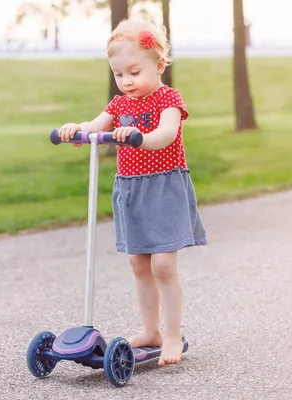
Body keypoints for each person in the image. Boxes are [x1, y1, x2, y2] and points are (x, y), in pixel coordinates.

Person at [58, 18, 207, 367]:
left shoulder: (168, 100)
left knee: (164, 265)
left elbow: (165, 135)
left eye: (134, 72)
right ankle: (151, 330)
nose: (126, 81)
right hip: (131, 190)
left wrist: (139, 137)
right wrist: (75, 130)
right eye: (119, 73)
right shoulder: (118, 105)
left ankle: (172, 334)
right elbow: (94, 128)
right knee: (138, 263)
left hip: (164, 186)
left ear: (158, 65)